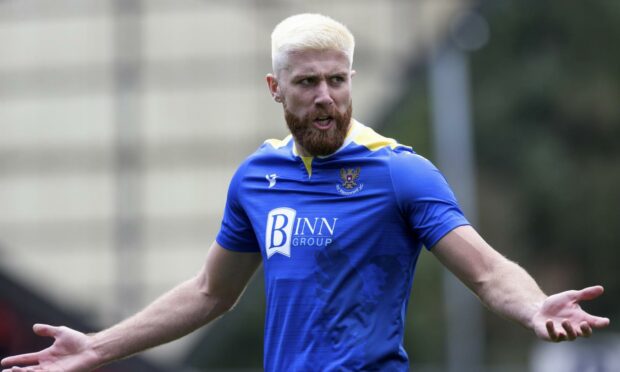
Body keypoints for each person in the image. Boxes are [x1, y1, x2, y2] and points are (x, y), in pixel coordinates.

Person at [1, 13, 610, 372]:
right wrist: (97, 348)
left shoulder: (399, 171)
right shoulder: (256, 179)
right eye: (308, 82)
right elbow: (211, 292)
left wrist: (532, 306)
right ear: (276, 87)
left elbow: (485, 271)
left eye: (338, 81)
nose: (326, 97)